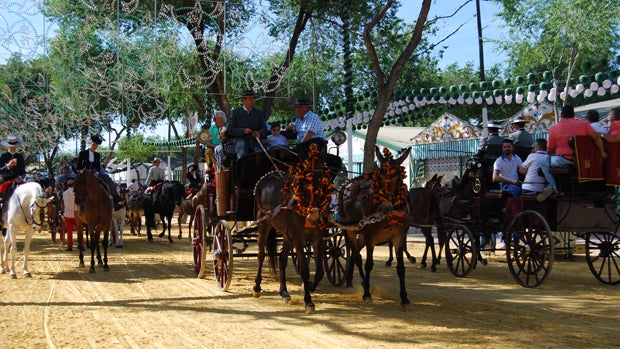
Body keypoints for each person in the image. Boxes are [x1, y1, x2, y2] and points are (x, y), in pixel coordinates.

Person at [537, 105, 607, 202]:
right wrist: (602, 152)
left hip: (565, 160)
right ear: (574, 115)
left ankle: (554, 188)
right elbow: (596, 137)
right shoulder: (584, 125)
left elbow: (549, 150)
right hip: (583, 162)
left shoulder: (554, 128)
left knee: (544, 162)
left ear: (561, 115)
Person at [76, 135, 123, 210]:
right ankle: (77, 203)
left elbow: (98, 167)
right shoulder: (83, 153)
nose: (95, 146)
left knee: (107, 178)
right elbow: (79, 166)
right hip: (84, 174)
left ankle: (115, 198)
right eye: (94, 144)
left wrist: (97, 172)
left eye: (96, 145)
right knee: (76, 184)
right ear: (90, 143)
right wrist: (83, 171)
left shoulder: (97, 155)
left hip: (95, 173)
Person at [226, 89, 268, 158]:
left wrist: (259, 133)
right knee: (242, 151)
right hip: (240, 140)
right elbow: (230, 130)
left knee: (260, 155)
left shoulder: (259, 113)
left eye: (253, 98)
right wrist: (243, 130)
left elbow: (264, 128)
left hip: (255, 141)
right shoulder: (235, 113)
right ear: (243, 100)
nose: (252, 100)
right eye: (250, 98)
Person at [0, 135, 26, 204]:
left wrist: (19, 177)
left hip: (18, 181)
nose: (12, 148)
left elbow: (23, 172)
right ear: (8, 146)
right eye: (11, 146)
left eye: (14, 146)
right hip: (6, 181)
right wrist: (8, 166)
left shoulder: (20, 157)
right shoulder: (3, 156)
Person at [61, 178, 82, 251]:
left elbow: (63, 204)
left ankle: (70, 246)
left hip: (68, 214)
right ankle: (81, 244)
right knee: (79, 230)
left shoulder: (64, 193)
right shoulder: (77, 193)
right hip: (77, 214)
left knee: (69, 232)